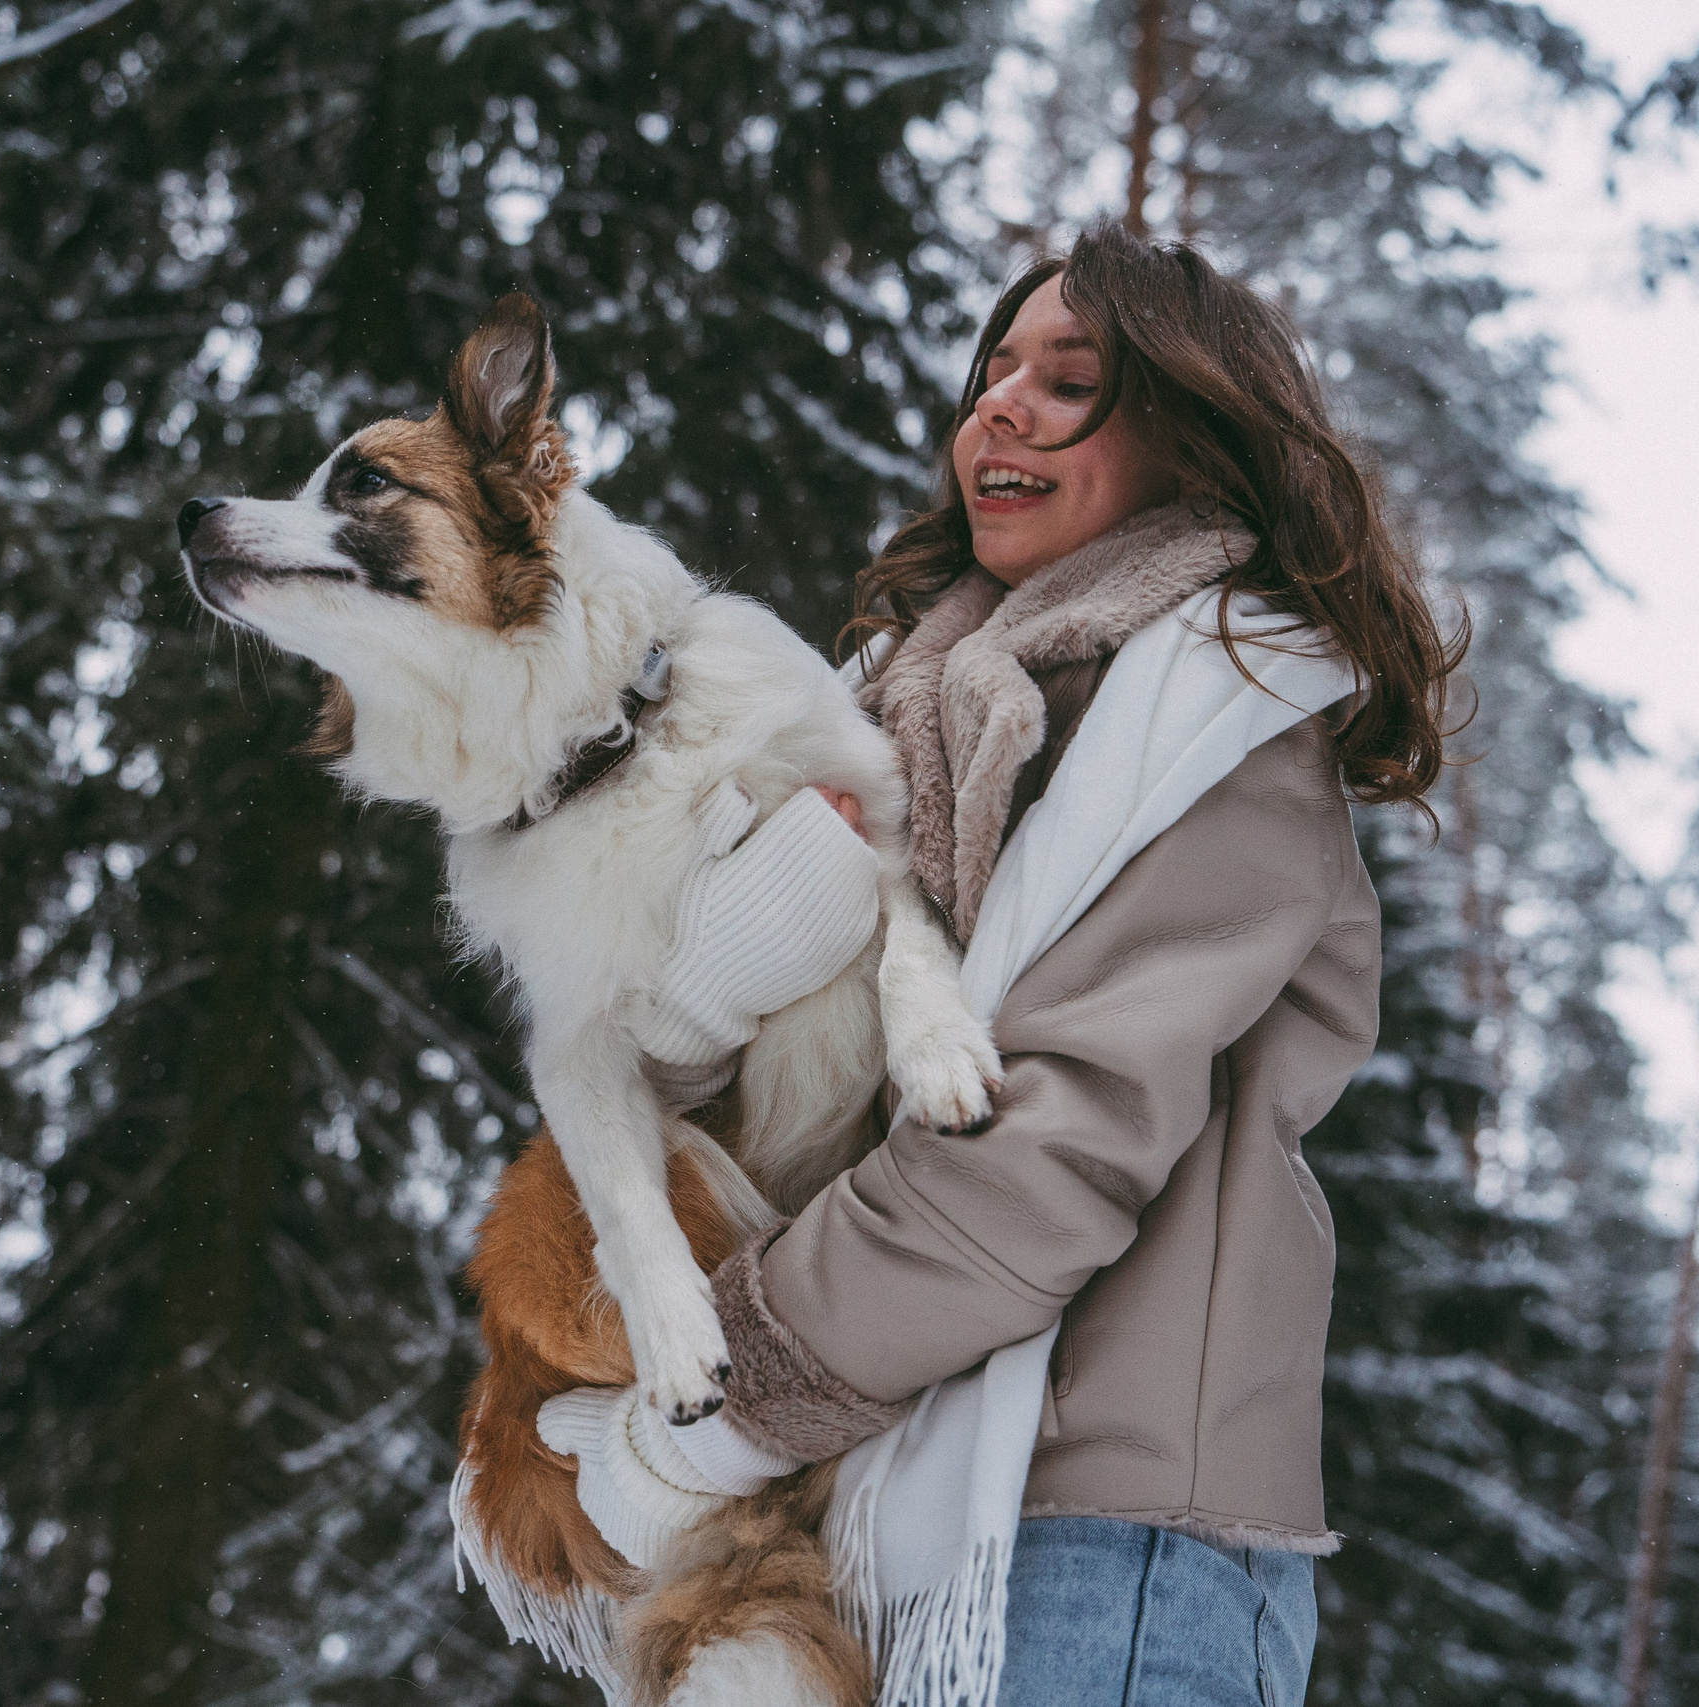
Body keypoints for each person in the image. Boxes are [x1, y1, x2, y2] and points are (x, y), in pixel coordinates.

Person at [536, 223, 1461, 1706]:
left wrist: (705, 1418)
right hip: (891, 1529)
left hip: (1104, 1551)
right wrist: (734, 953)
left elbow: (1041, 1161)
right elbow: (696, 1071)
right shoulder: (888, 704)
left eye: (1070, 380)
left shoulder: (1221, 724)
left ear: (1196, 440)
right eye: (993, 371)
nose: (1000, 407)